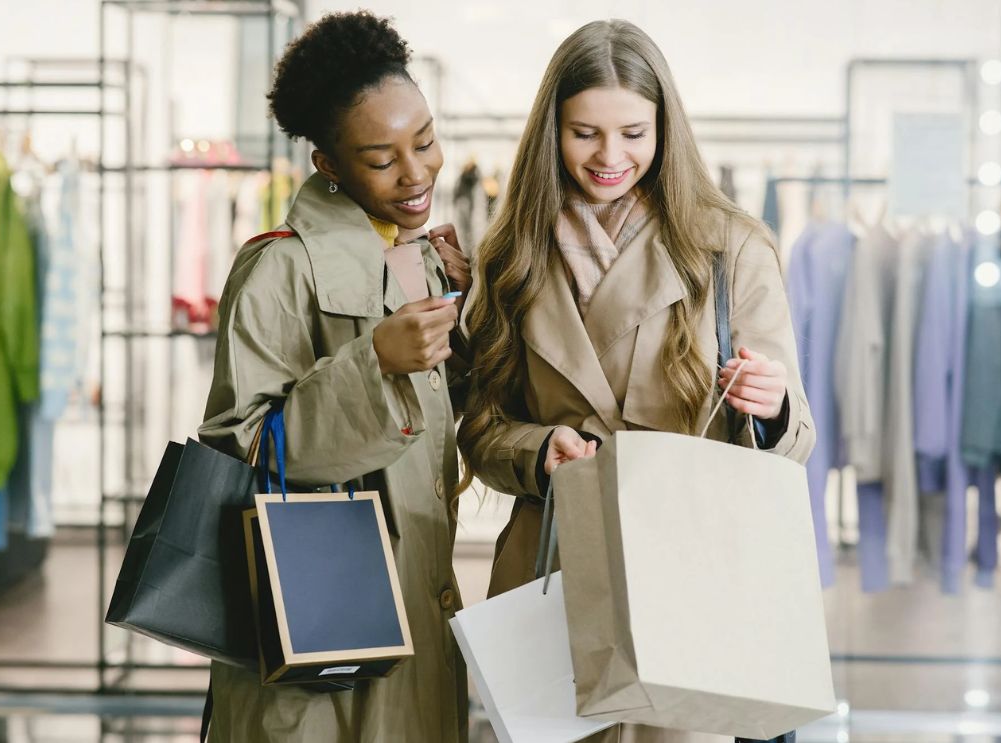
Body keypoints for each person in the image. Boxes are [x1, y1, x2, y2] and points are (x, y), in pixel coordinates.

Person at [458, 19, 816, 743]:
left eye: (631, 132)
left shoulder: (728, 248)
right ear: (551, 131)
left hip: (686, 572)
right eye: (584, 132)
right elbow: (480, 428)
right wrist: (538, 448)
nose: (608, 156)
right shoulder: (511, 254)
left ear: (664, 128)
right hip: (550, 566)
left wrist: (770, 407)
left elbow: (792, 442)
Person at [197, 11, 469, 742]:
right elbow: (243, 445)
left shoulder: (428, 258)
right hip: (316, 633)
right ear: (330, 166)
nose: (415, 174)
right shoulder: (278, 265)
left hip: (415, 616)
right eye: (381, 159)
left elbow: (442, 426)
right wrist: (372, 360)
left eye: (426, 141)